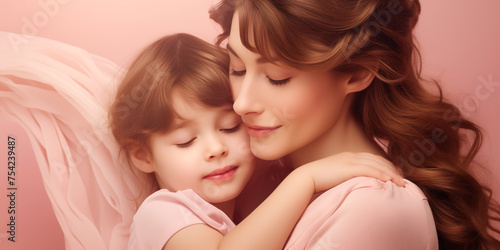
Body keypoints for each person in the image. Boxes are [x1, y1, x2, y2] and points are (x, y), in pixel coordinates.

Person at [209, 0, 500, 249]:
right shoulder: (260, 183)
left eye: (277, 76)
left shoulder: (374, 208)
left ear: (356, 74)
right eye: (237, 68)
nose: (242, 103)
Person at [108, 33, 403, 250]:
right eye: (186, 141)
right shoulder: (161, 212)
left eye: (230, 127)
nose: (216, 149)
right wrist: (305, 179)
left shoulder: (255, 200)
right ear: (143, 155)